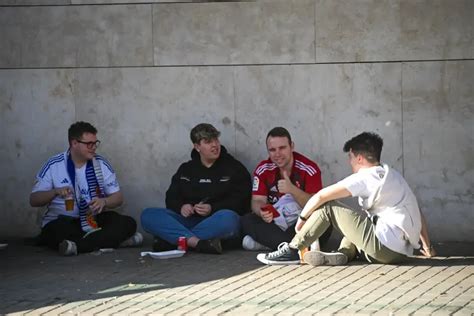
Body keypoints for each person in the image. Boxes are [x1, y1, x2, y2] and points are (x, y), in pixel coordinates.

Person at [257, 132, 436, 265]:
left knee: (329, 207)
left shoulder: (365, 176)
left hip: (384, 248)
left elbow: (321, 196)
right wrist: (427, 248)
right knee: (358, 222)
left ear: (359, 158)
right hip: (400, 252)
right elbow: (416, 210)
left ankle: (292, 250)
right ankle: (343, 254)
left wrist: (302, 219)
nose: (349, 162)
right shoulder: (393, 176)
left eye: (350, 157)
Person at [30, 121, 141, 256]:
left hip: (93, 221)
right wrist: (54, 192)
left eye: (95, 143)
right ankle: (112, 242)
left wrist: (104, 202)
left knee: (128, 223)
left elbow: (118, 198)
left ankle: (77, 246)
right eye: (89, 144)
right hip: (63, 221)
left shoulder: (101, 163)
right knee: (55, 231)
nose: (94, 147)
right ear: (74, 143)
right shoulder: (54, 164)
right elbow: (34, 200)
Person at [141, 123, 251, 254]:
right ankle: (198, 243)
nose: (215, 145)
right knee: (148, 215)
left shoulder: (234, 168)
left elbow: (242, 201)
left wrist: (212, 208)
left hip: (215, 222)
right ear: (197, 146)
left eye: (216, 140)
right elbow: (171, 197)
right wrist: (181, 207)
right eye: (208, 142)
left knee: (230, 219)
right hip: (187, 221)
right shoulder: (186, 169)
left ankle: (173, 240)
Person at [241, 127, 331, 251]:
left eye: (282, 148)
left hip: (300, 222)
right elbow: (257, 200)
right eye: (272, 150)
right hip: (275, 223)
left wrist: (292, 190)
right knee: (247, 220)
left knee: (325, 223)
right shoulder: (263, 169)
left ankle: (274, 246)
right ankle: (293, 247)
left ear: (292, 146)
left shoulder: (309, 169)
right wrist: (262, 212)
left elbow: (316, 206)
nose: (277, 154)